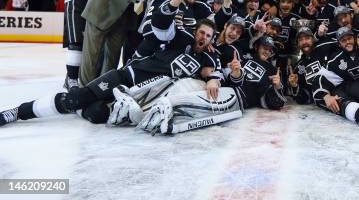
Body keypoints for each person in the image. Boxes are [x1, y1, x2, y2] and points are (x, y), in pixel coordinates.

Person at [0, 19, 220, 127]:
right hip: (124, 77)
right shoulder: (179, 38)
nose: (203, 37)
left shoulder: (206, 59)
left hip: (133, 95)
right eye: (201, 32)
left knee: (96, 115)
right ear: (195, 31)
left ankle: (79, 105)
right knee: (76, 98)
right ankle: (17, 112)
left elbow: (215, 73)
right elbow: (163, 24)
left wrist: (212, 79)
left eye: (208, 36)